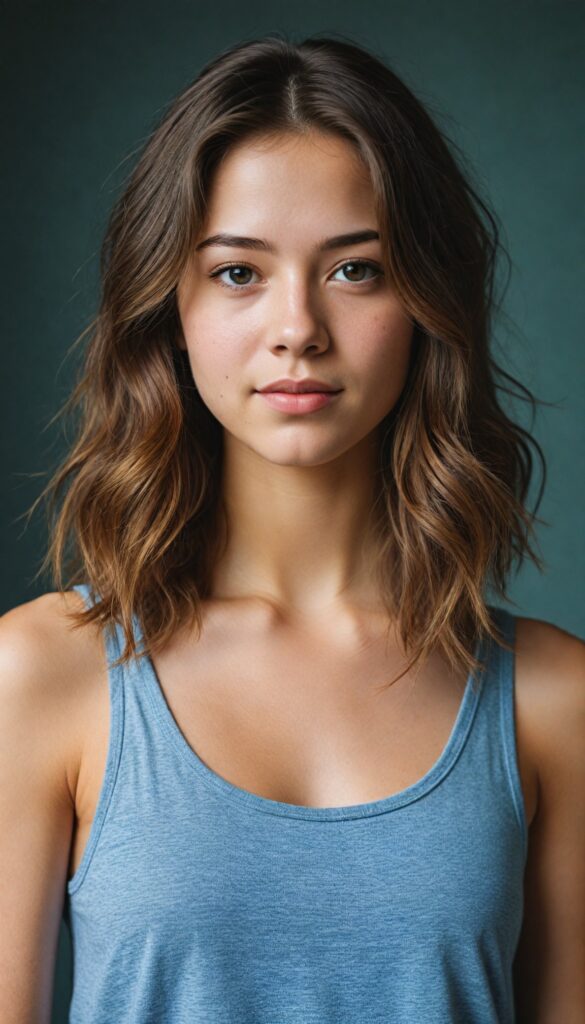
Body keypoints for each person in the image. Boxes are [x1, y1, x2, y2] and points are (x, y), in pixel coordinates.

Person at [1, 32, 583, 1024]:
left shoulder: (553, 701)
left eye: (356, 269)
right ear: (168, 308)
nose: (297, 327)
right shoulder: (41, 674)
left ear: (427, 303)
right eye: (238, 273)